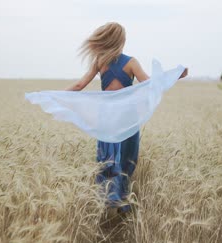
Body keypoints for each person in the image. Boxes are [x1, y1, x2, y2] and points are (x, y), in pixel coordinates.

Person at [65, 22, 188, 213]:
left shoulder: (99, 62)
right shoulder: (131, 62)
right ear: (121, 41)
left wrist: (58, 96)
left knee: (108, 155)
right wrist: (175, 76)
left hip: (106, 116)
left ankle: (107, 197)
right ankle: (120, 199)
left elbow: (80, 85)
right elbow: (149, 84)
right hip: (127, 117)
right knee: (126, 156)